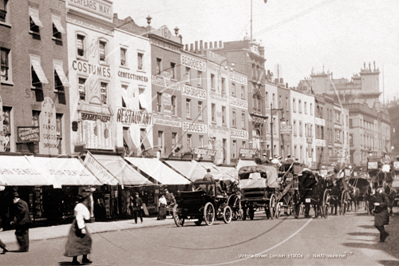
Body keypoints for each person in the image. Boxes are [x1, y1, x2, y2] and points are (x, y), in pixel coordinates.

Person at [64, 188, 93, 265]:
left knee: (86, 240)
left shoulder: (83, 206)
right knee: (77, 241)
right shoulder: (80, 206)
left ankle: (84, 258)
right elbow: (79, 217)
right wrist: (82, 228)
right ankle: (75, 260)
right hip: (78, 225)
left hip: (80, 224)